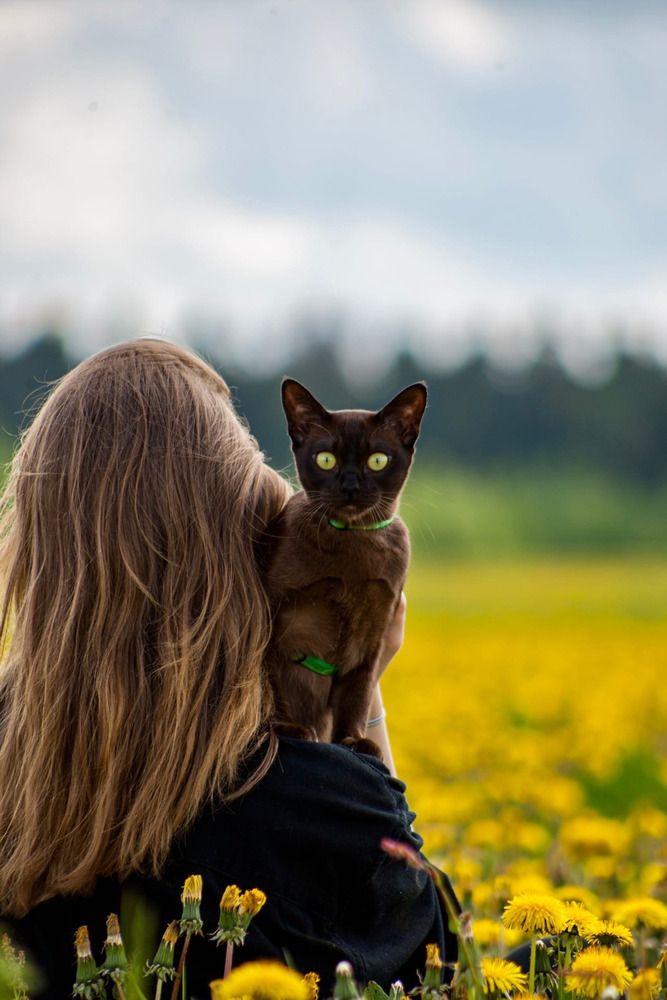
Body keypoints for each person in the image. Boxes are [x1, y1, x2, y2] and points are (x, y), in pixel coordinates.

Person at [0, 340, 457, 998]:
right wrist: (361, 679)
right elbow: (434, 957)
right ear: (239, 560)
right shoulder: (307, 792)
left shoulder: (17, 779)